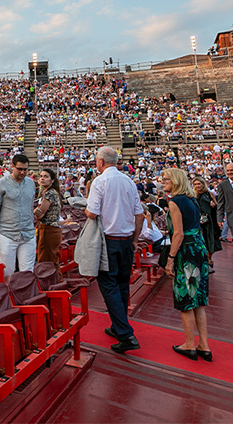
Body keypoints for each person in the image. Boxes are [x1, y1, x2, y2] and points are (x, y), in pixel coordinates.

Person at [85, 146, 144, 353]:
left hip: (108, 241)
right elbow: (140, 214)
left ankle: (126, 334)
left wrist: (84, 206)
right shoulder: (128, 181)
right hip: (126, 240)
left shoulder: (99, 182)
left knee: (108, 284)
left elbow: (92, 213)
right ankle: (119, 326)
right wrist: (135, 240)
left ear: (100, 162)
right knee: (121, 285)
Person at [160, 168, 211, 361]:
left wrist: (170, 259)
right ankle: (204, 345)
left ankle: (190, 344)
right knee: (199, 299)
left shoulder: (175, 202)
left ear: (175, 181)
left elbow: (178, 233)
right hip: (199, 248)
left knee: (185, 299)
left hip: (186, 252)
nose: (163, 182)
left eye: (166, 179)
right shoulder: (192, 200)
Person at [0, 154, 36, 277]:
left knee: (28, 271)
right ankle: (5, 295)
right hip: (6, 233)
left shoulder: (31, 183)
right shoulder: (1, 184)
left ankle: (25, 295)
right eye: (19, 169)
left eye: (25, 169)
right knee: (7, 271)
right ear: (12, 166)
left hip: (28, 233)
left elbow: (30, 207)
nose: (22, 172)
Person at [33, 168, 63, 265]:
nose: (42, 179)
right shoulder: (52, 192)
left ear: (52, 180)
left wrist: (34, 211)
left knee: (46, 262)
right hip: (52, 229)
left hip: (48, 230)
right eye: (41, 176)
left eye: (46, 177)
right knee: (52, 261)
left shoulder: (50, 193)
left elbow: (40, 215)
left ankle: (50, 280)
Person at [192, 176, 222, 266]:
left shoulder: (209, 194)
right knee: (200, 241)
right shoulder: (192, 195)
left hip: (209, 221)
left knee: (211, 240)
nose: (197, 186)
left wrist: (213, 205)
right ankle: (203, 261)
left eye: (199, 184)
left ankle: (209, 258)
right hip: (197, 222)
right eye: (195, 184)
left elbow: (217, 207)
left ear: (203, 184)